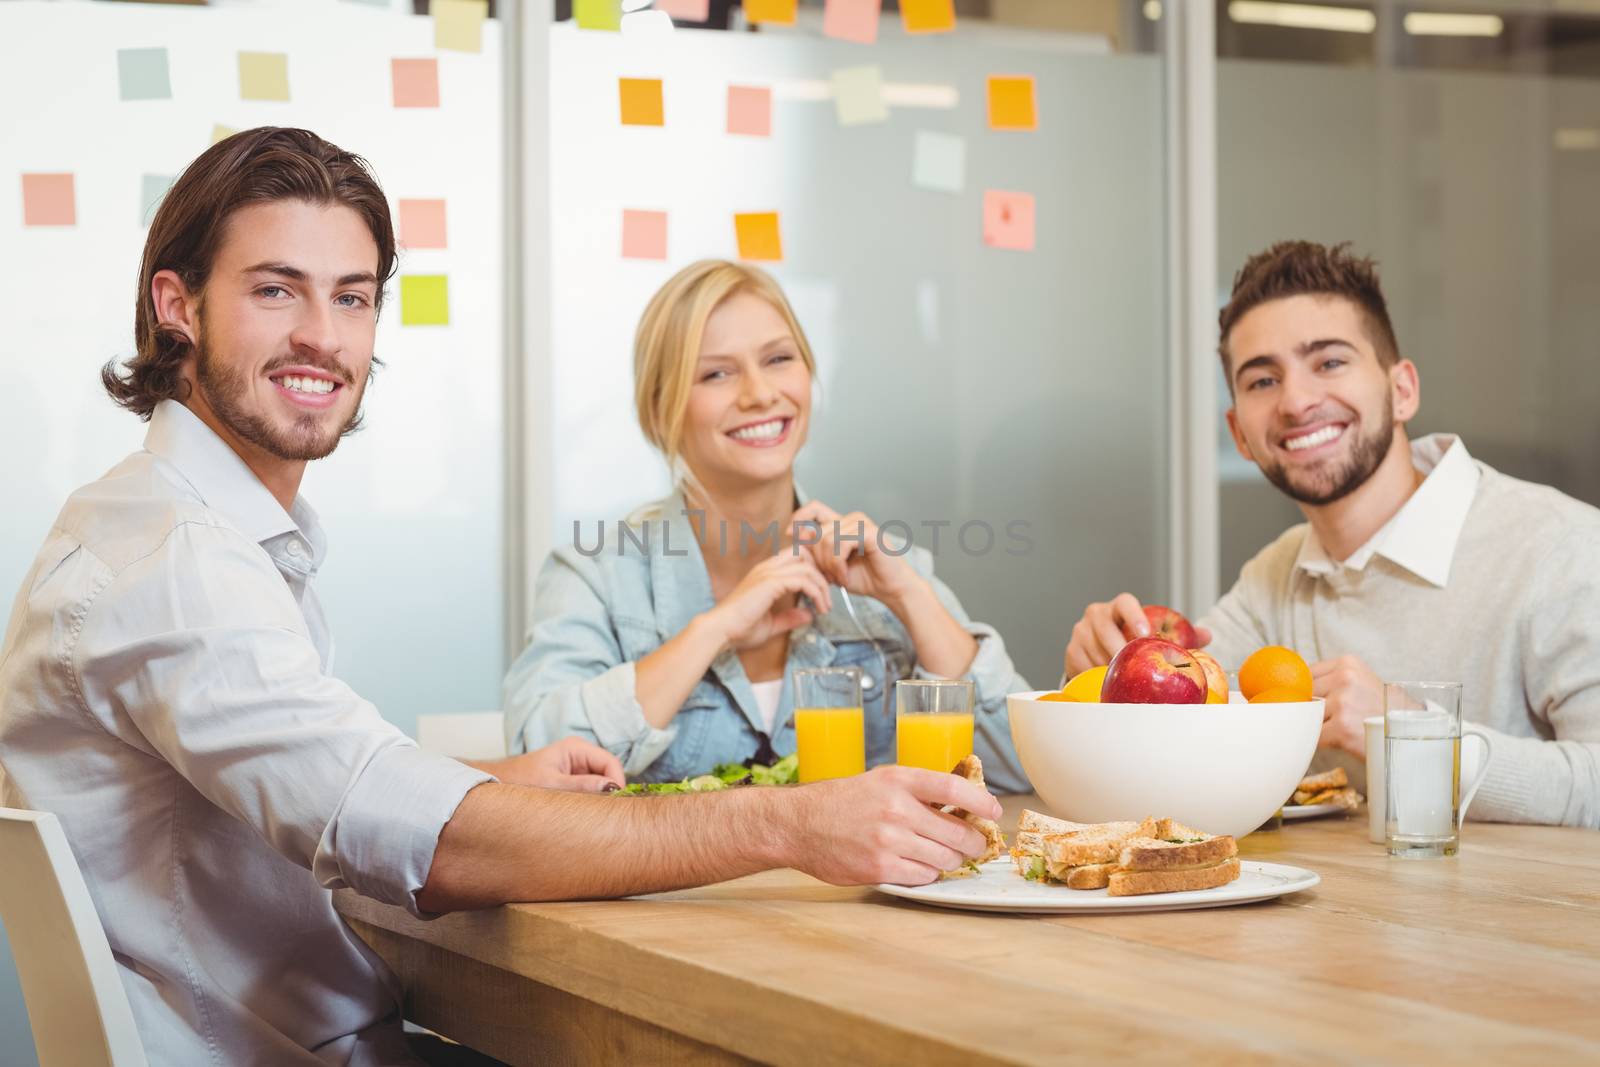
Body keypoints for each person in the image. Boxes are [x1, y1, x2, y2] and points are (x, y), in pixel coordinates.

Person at [0, 128, 1002, 1066]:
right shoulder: (179, 564)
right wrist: (789, 822)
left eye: (352, 298)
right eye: (276, 290)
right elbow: (418, 840)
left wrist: (496, 775)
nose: (322, 335)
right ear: (177, 304)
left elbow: (313, 779)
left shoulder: (179, 527)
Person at [1061, 240, 1599, 828]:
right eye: (1263, 380)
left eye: (1330, 362)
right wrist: (1105, 672)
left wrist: (1411, 732)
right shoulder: (1275, 574)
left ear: (1402, 390)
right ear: (1240, 434)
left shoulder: (1563, 548)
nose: (1296, 401)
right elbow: (1183, 734)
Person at [503, 260, 1031, 793]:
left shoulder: (889, 568)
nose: (759, 393)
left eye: (778, 359)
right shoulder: (596, 575)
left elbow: (1018, 770)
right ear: (661, 409)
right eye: (716, 373)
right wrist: (714, 630)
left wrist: (911, 599)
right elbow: (536, 775)